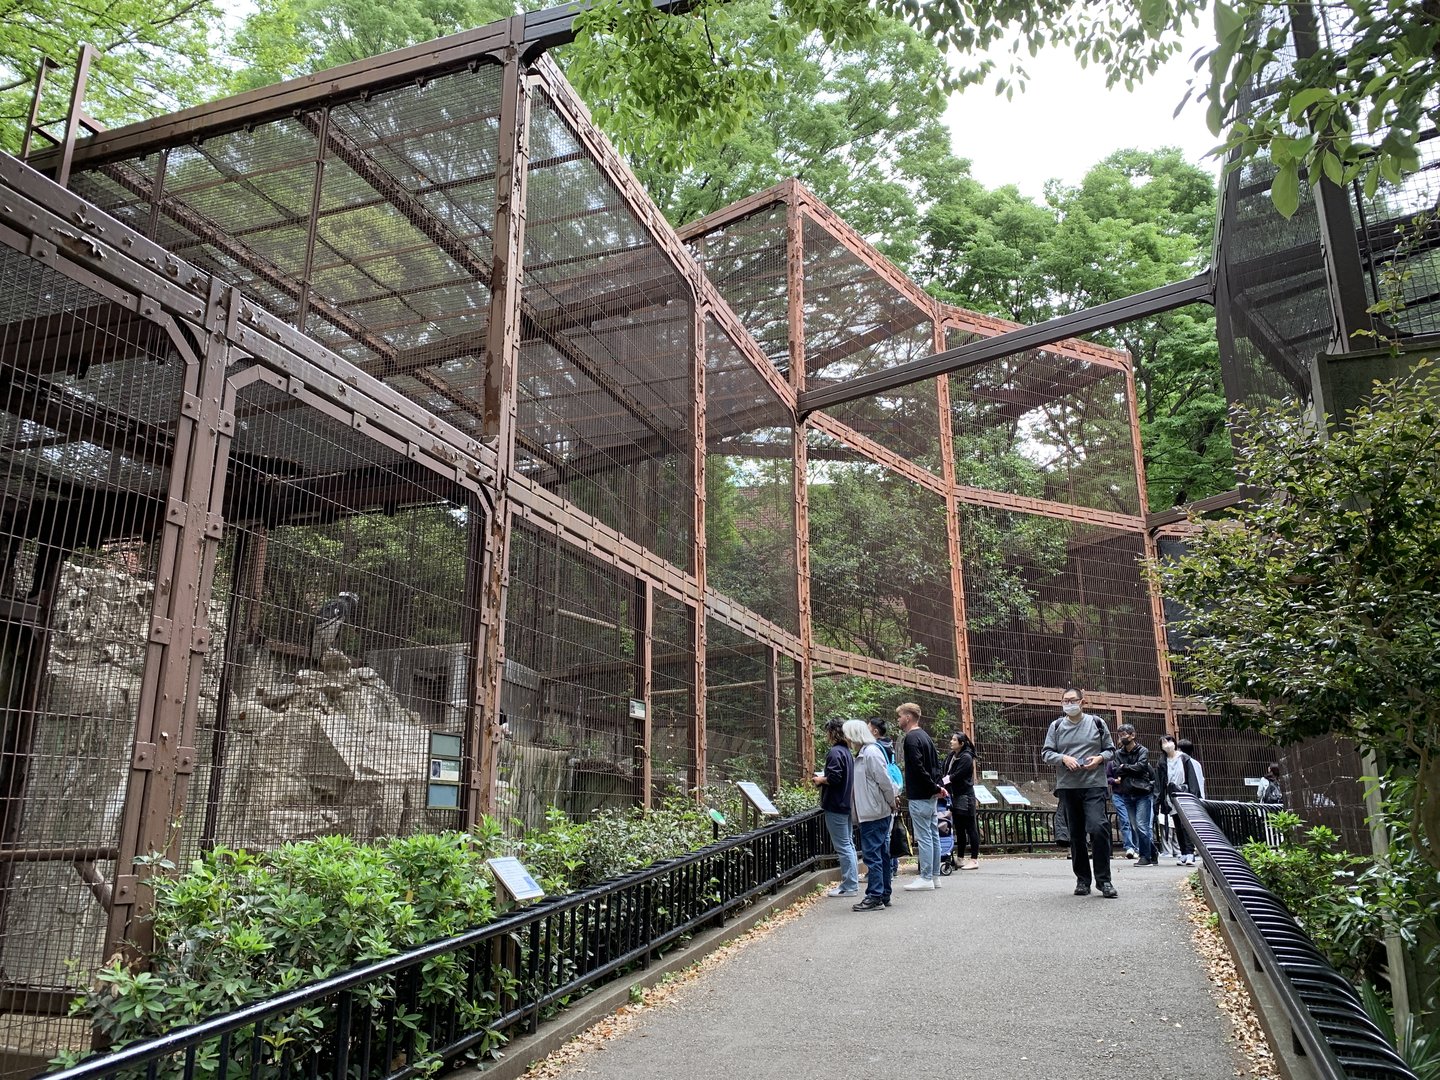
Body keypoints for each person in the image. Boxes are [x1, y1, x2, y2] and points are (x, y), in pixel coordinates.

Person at [1041, 688, 1118, 898]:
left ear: (1082, 702)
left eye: (1072, 700)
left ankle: (1104, 881)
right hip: (1068, 786)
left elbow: (1111, 750)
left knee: (1098, 827)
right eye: (1065, 701)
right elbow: (1046, 753)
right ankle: (1083, 880)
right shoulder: (1056, 726)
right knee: (1076, 835)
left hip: (1094, 784)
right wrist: (1063, 759)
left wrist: (1099, 759)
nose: (1068, 704)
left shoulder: (1097, 723)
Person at [844, 718, 896, 911]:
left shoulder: (870, 753)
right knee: (880, 854)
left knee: (873, 856)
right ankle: (883, 894)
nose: (847, 738)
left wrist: (891, 802)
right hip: (872, 811)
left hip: (874, 812)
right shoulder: (864, 753)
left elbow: (885, 781)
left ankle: (874, 896)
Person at [897, 702, 943, 890]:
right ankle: (934, 876)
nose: (898, 720)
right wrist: (937, 787)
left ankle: (925, 877)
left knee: (924, 836)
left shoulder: (910, 738)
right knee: (933, 835)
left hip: (919, 795)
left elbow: (917, 767)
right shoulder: (926, 737)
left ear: (908, 717)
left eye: (899, 716)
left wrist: (932, 786)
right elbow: (935, 765)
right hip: (930, 794)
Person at [812, 717, 858, 897]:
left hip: (835, 805)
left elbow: (834, 778)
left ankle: (850, 885)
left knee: (843, 846)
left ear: (833, 732)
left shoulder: (835, 753)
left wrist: (820, 779)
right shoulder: (847, 752)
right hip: (846, 804)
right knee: (849, 844)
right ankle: (850, 882)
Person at [1112, 723, 1157, 866]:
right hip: (1127, 793)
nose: (1122, 738)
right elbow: (1116, 770)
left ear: (1132, 735)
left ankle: (1145, 857)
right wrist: (1128, 768)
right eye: (1120, 735)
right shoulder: (1119, 753)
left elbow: (1141, 767)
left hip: (1142, 793)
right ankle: (1153, 852)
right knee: (1135, 826)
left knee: (1142, 825)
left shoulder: (1142, 750)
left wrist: (1124, 767)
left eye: (1124, 735)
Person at [1157, 734, 1205, 866]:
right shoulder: (1162, 761)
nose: (1167, 744)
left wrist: (1193, 795)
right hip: (1171, 796)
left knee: (1185, 826)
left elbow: (1191, 778)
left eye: (1169, 741)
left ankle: (1190, 853)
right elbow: (1160, 782)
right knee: (1177, 825)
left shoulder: (1184, 758)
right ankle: (1183, 853)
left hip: (1184, 794)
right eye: (1163, 743)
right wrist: (1162, 800)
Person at [868, 716, 906, 878]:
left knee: (885, 835)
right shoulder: (888, 744)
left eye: (868, 727)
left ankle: (888, 869)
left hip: (885, 793)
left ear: (875, 731)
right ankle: (893, 867)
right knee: (888, 831)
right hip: (894, 788)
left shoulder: (875, 748)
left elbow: (881, 777)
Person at [941, 731, 980, 870]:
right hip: (954, 795)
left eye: (954, 740)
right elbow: (945, 771)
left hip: (965, 796)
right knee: (959, 827)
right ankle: (960, 857)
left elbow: (957, 775)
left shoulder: (966, 757)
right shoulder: (951, 756)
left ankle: (974, 859)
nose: (951, 742)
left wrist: (944, 780)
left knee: (970, 827)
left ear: (961, 743)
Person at [1107, 756, 1136, 858]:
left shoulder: (1133, 761)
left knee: (1135, 822)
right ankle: (1129, 847)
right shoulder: (1112, 763)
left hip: (1132, 794)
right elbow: (1107, 777)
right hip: (1118, 794)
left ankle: (1138, 847)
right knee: (1125, 820)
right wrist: (1115, 781)